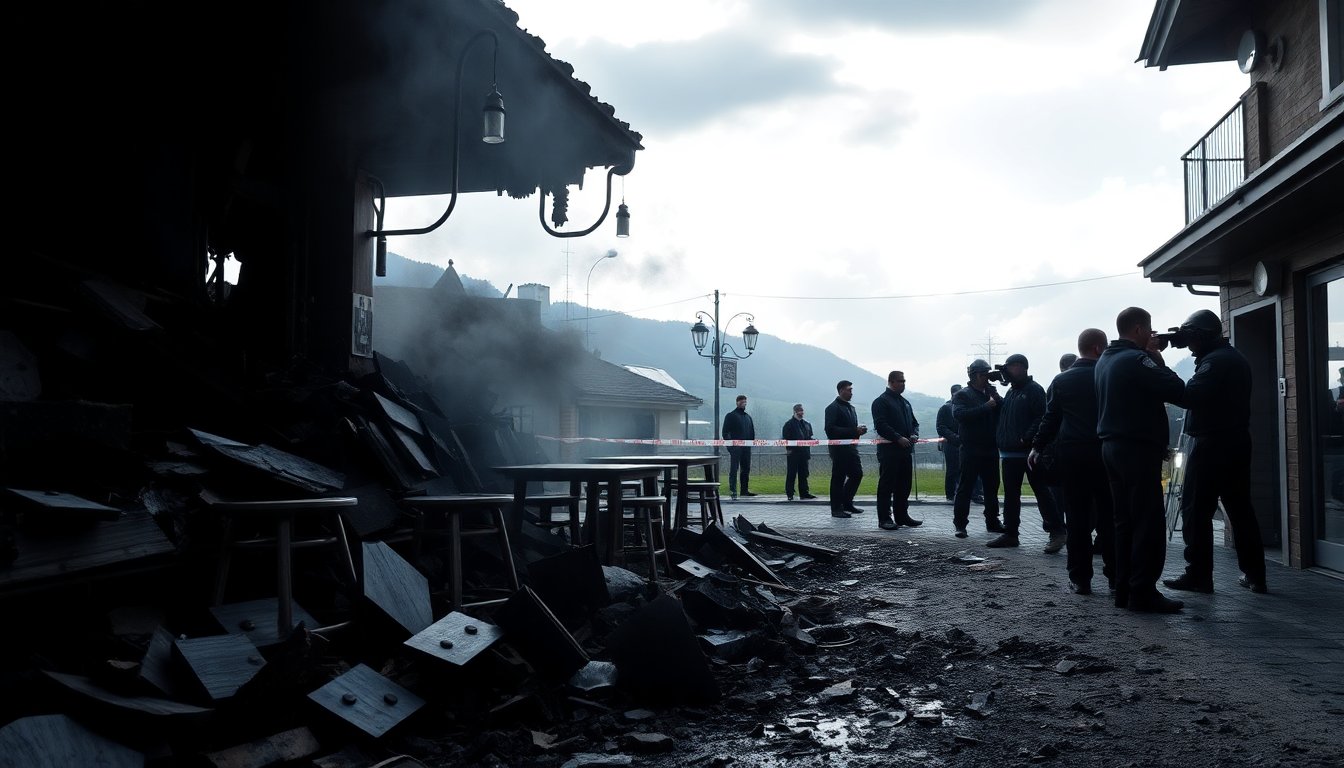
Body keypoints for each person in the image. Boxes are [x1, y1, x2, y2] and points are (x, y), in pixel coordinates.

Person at [1161, 310, 1269, 595]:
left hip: (1213, 444)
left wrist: (1160, 368)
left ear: (1201, 336)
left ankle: (1198, 575)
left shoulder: (1216, 362)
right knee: (1240, 509)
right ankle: (1255, 574)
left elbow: (1189, 396)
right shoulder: (1230, 357)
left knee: (1195, 510)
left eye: (1191, 337)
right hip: (1234, 442)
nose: (1188, 343)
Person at [1096, 307, 1186, 613]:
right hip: (1136, 449)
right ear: (1138, 330)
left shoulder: (1105, 360)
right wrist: (1158, 358)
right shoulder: (1136, 359)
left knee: (1124, 522)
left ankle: (1124, 589)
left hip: (1111, 448)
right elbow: (1177, 390)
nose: (1152, 336)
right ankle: (1143, 591)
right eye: (1149, 330)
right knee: (1147, 522)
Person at [1031, 329, 1115, 595]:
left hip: (1073, 455)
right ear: (1098, 348)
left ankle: (1080, 579)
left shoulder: (1061, 381)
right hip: (1105, 452)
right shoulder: (1109, 375)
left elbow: (1051, 418)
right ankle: (1115, 577)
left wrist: (1037, 446)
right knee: (1109, 516)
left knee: (1076, 518)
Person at [988, 354, 1067, 552]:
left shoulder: (1034, 390)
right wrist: (994, 395)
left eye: (1010, 367)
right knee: (1011, 496)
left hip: (1029, 452)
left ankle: (1057, 532)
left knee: (1042, 492)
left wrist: (1026, 438)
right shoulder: (1013, 392)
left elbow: (1043, 417)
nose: (1006, 371)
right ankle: (1011, 533)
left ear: (1022, 367)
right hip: (1008, 453)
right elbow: (1005, 416)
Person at [952, 360, 1007, 538]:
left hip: (990, 448)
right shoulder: (962, 395)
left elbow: (1003, 410)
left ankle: (992, 522)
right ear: (975, 375)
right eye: (984, 374)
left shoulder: (991, 392)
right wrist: (986, 406)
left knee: (992, 488)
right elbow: (959, 415)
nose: (987, 378)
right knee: (965, 488)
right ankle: (960, 524)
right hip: (970, 449)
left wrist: (998, 397)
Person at [872, 370, 922, 530]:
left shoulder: (905, 402)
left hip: (906, 451)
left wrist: (914, 434)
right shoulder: (881, 401)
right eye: (900, 381)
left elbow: (915, 423)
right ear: (891, 382)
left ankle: (902, 515)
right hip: (889, 451)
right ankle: (884, 518)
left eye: (904, 381)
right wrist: (898, 437)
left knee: (904, 485)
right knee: (887, 485)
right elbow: (881, 425)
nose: (903, 384)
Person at [825, 379, 868, 518]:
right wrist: (853, 430)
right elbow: (830, 430)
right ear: (841, 390)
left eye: (851, 390)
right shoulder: (832, 408)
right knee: (838, 478)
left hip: (851, 448)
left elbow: (852, 429)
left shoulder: (851, 408)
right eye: (849, 390)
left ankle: (847, 503)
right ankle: (836, 508)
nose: (851, 392)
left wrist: (858, 431)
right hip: (838, 449)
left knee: (857, 474)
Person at [722, 394, 756, 499]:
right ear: (737, 402)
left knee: (746, 469)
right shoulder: (731, 416)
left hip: (746, 448)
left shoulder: (748, 417)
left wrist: (750, 444)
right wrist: (731, 447)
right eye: (741, 401)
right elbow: (725, 432)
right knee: (734, 469)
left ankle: (744, 490)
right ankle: (733, 491)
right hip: (736, 448)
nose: (743, 403)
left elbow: (752, 433)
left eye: (745, 401)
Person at [782, 403, 817, 501]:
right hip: (793, 454)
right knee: (791, 474)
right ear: (795, 412)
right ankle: (790, 493)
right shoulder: (788, 424)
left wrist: (813, 441)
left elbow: (809, 437)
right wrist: (789, 449)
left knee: (804, 474)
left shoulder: (807, 424)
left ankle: (804, 493)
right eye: (799, 411)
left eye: (802, 410)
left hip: (804, 453)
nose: (801, 412)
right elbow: (786, 439)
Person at [937, 385, 963, 500]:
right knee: (952, 469)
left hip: (964, 442)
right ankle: (950, 494)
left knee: (964, 469)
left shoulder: (963, 407)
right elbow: (941, 426)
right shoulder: (945, 408)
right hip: (951, 443)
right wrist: (954, 437)